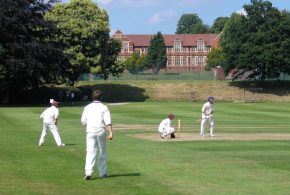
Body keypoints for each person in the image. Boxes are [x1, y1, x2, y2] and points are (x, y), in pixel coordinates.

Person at [81, 89, 113, 180]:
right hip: (100, 131)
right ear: (101, 97)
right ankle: (102, 173)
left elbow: (83, 121)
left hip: (90, 131)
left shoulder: (87, 107)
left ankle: (88, 172)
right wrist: (110, 133)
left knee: (90, 152)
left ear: (93, 97)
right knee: (102, 151)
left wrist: (90, 123)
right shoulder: (104, 107)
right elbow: (108, 122)